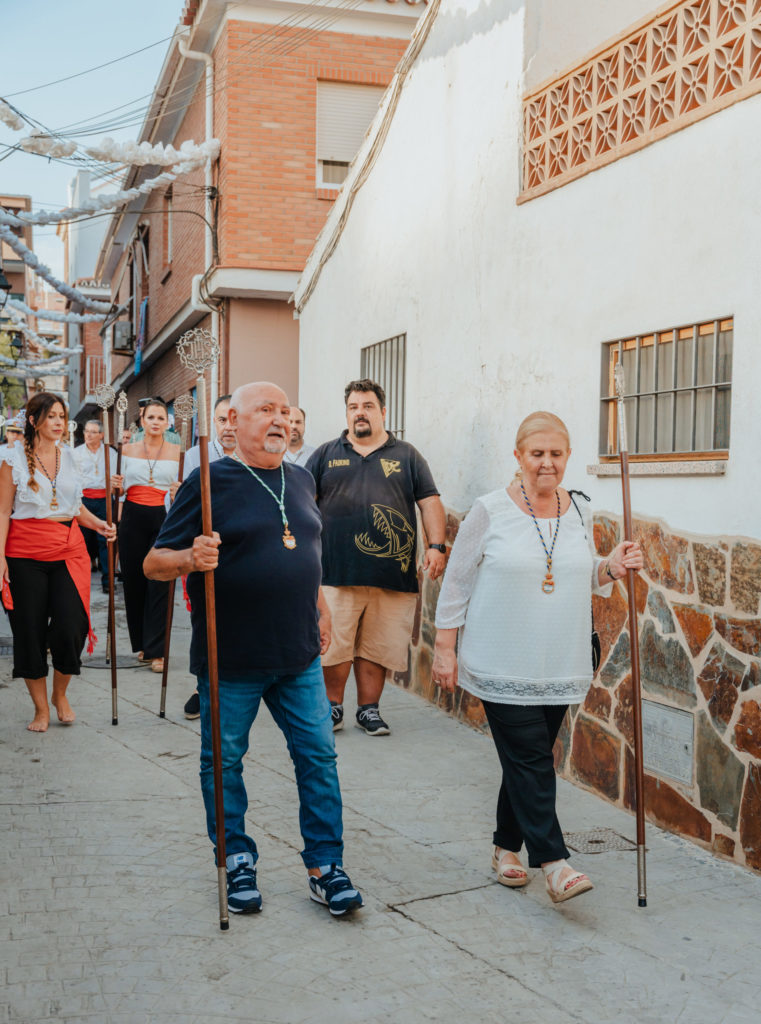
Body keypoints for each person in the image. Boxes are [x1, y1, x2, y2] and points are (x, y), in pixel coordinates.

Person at [144, 381, 364, 918]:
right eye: (266, 410)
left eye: (285, 411)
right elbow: (154, 563)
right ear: (234, 422)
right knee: (223, 763)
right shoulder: (208, 480)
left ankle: (326, 866)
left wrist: (319, 605)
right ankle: (236, 858)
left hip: (298, 654)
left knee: (318, 757)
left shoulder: (302, 477)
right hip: (232, 657)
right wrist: (190, 558)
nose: (280, 419)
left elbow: (304, 547)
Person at [431, 411, 643, 904]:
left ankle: (506, 847)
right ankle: (554, 863)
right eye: (537, 453)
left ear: (568, 456)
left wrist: (612, 567)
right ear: (519, 456)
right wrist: (444, 649)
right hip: (500, 660)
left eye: (556, 454)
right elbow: (457, 582)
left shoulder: (579, 508)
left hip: (559, 659)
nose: (547, 463)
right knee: (530, 759)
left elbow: (582, 573)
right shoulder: (490, 510)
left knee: (526, 760)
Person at [306, 379, 446, 736]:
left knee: (377, 646)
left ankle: (369, 710)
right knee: (335, 646)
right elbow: (301, 502)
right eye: (353, 407)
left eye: (367, 406)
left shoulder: (408, 456)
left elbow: (429, 501)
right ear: (347, 414)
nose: (360, 413)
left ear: (383, 412)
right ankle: (332, 708)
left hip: (391, 574)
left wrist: (437, 545)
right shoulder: (325, 454)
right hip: (334, 572)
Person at [0, 393, 115, 732]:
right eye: (50, 416)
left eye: (61, 416)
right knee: (30, 631)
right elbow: (3, 512)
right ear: (33, 420)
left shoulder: (72, 457)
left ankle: (59, 694)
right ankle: (40, 709)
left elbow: (74, 506)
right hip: (23, 554)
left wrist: (99, 524)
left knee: (71, 626)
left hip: (68, 548)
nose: (58, 422)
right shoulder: (12, 459)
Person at [172, 394, 236, 721]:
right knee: (205, 621)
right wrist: (176, 495)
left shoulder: (255, 454)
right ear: (213, 422)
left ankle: (240, 683)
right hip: (207, 549)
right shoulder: (196, 456)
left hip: (243, 550)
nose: (228, 427)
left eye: (233, 419)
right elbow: (181, 508)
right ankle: (204, 687)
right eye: (221, 420)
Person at [111, 399, 179, 673]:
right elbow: (118, 491)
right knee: (135, 581)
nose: (156, 422)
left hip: (164, 518)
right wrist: (115, 487)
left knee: (161, 580)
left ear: (167, 423)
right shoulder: (126, 450)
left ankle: (158, 650)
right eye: (151, 417)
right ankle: (142, 643)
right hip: (133, 517)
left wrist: (179, 490)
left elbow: (184, 488)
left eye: (161, 418)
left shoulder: (177, 452)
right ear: (142, 421)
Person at [73, 419, 115, 593]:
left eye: (93, 432)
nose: (88, 435)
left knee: (105, 540)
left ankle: (108, 581)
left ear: (101, 435)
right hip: (84, 500)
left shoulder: (110, 453)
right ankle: (80, 580)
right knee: (82, 541)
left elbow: (115, 477)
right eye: (86, 431)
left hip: (104, 500)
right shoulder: (76, 453)